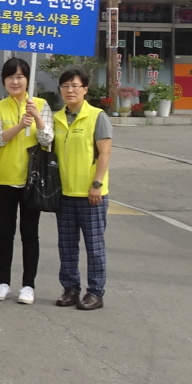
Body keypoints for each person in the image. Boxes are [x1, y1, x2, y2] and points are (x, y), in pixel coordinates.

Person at [0, 56, 53, 304]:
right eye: (10, 77)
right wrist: (18, 126)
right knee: (5, 232)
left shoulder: (41, 104)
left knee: (30, 233)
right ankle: (3, 282)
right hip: (4, 178)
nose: (15, 81)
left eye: (20, 76)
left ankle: (28, 285)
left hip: (32, 180)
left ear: (28, 79)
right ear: (4, 80)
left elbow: (47, 140)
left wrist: (36, 117)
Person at [51, 66, 114, 311]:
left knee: (94, 246)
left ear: (85, 89)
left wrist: (97, 184)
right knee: (66, 246)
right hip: (64, 193)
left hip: (91, 195)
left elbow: (105, 153)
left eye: (75, 86)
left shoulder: (97, 116)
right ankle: (70, 289)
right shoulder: (56, 118)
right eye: (65, 86)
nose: (70, 90)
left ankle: (96, 293)